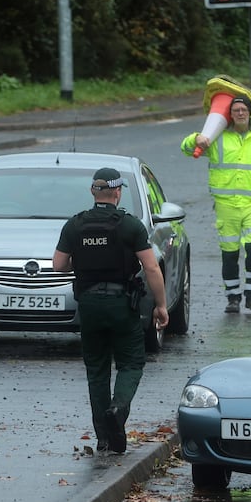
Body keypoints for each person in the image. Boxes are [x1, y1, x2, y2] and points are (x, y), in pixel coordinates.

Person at [52, 167, 169, 454]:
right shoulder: (129, 226)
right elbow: (151, 267)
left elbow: (58, 265)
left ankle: (103, 438)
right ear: (117, 192)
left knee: (97, 370)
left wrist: (81, 264)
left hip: (89, 305)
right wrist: (161, 305)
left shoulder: (75, 225)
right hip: (121, 304)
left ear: (93, 192)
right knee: (131, 363)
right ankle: (118, 409)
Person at [180, 91, 251, 313]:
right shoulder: (217, 136)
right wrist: (195, 138)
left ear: (250, 113)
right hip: (226, 204)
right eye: (235, 110)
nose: (240, 113)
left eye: (244, 110)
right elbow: (188, 148)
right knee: (229, 251)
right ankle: (233, 298)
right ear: (229, 114)